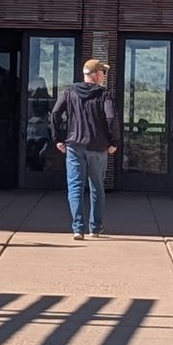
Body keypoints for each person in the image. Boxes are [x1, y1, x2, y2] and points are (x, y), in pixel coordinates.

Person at [50, 57, 121, 240]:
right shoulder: (104, 95)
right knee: (97, 187)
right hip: (98, 147)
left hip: (74, 146)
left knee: (75, 187)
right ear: (96, 75)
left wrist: (58, 138)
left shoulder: (70, 92)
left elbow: (56, 113)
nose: (104, 76)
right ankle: (95, 228)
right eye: (103, 73)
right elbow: (111, 118)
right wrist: (114, 142)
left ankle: (77, 228)